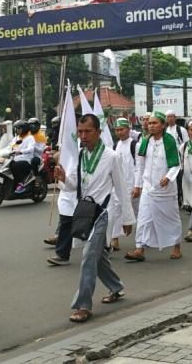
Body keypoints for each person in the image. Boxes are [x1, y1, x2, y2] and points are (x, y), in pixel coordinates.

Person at [53, 114, 135, 323]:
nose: (83, 136)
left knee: (89, 255)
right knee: (98, 257)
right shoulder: (80, 155)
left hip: (104, 213)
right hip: (85, 213)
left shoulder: (111, 156)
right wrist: (63, 178)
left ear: (98, 132)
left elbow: (121, 188)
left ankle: (83, 305)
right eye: (80, 132)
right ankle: (116, 287)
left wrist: (127, 218)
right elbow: (74, 185)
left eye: (88, 131)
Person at [126, 111, 183, 261]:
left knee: (171, 219)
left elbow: (176, 164)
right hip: (148, 188)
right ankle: (139, 249)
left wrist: (168, 177)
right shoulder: (145, 141)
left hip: (165, 190)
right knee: (143, 218)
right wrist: (137, 186)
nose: (151, 126)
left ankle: (176, 246)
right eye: (149, 123)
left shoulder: (169, 141)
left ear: (163, 125)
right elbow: (140, 166)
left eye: (154, 123)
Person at [107, 118, 140, 251]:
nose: (119, 132)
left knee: (140, 212)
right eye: (117, 130)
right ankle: (114, 239)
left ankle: (144, 238)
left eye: (122, 129)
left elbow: (139, 167)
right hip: (119, 185)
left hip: (133, 185)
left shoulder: (135, 145)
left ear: (128, 129)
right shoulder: (115, 146)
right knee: (116, 210)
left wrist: (137, 186)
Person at [165, 110, 188, 209]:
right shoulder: (165, 130)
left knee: (180, 181)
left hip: (180, 159)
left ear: (175, 118)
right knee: (171, 180)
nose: (170, 119)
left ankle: (181, 200)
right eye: (168, 117)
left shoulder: (181, 130)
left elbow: (187, 144)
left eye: (172, 116)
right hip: (168, 160)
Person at [10, 120, 36, 193]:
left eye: (19, 128)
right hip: (16, 158)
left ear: (24, 129)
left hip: (26, 159)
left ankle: (21, 184)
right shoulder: (16, 138)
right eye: (16, 128)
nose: (17, 130)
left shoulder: (30, 138)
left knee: (16, 166)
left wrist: (21, 151)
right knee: (8, 165)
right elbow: (10, 146)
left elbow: (31, 149)